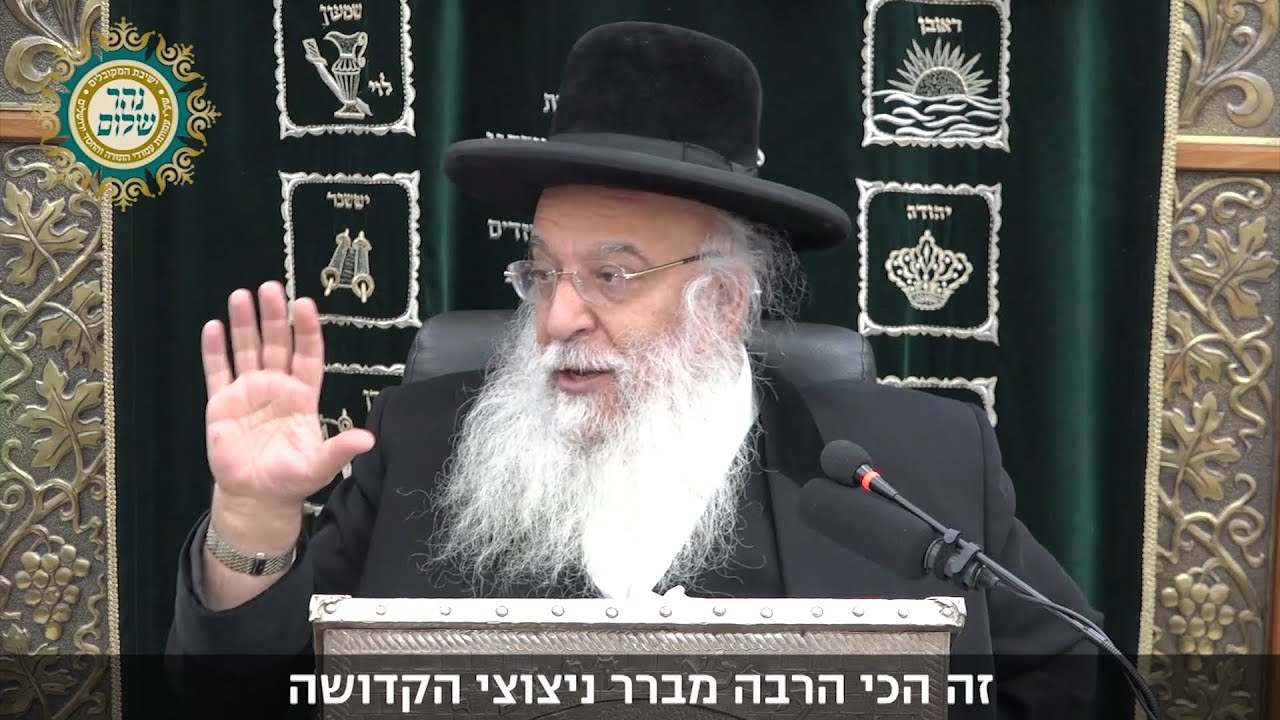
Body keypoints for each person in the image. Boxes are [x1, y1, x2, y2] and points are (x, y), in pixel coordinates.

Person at [168, 21, 1098, 718]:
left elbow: (1068, 683)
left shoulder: (920, 468)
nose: (559, 318)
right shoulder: (415, 443)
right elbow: (242, 698)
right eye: (543, 272)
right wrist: (253, 517)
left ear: (723, 302)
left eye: (612, 276)